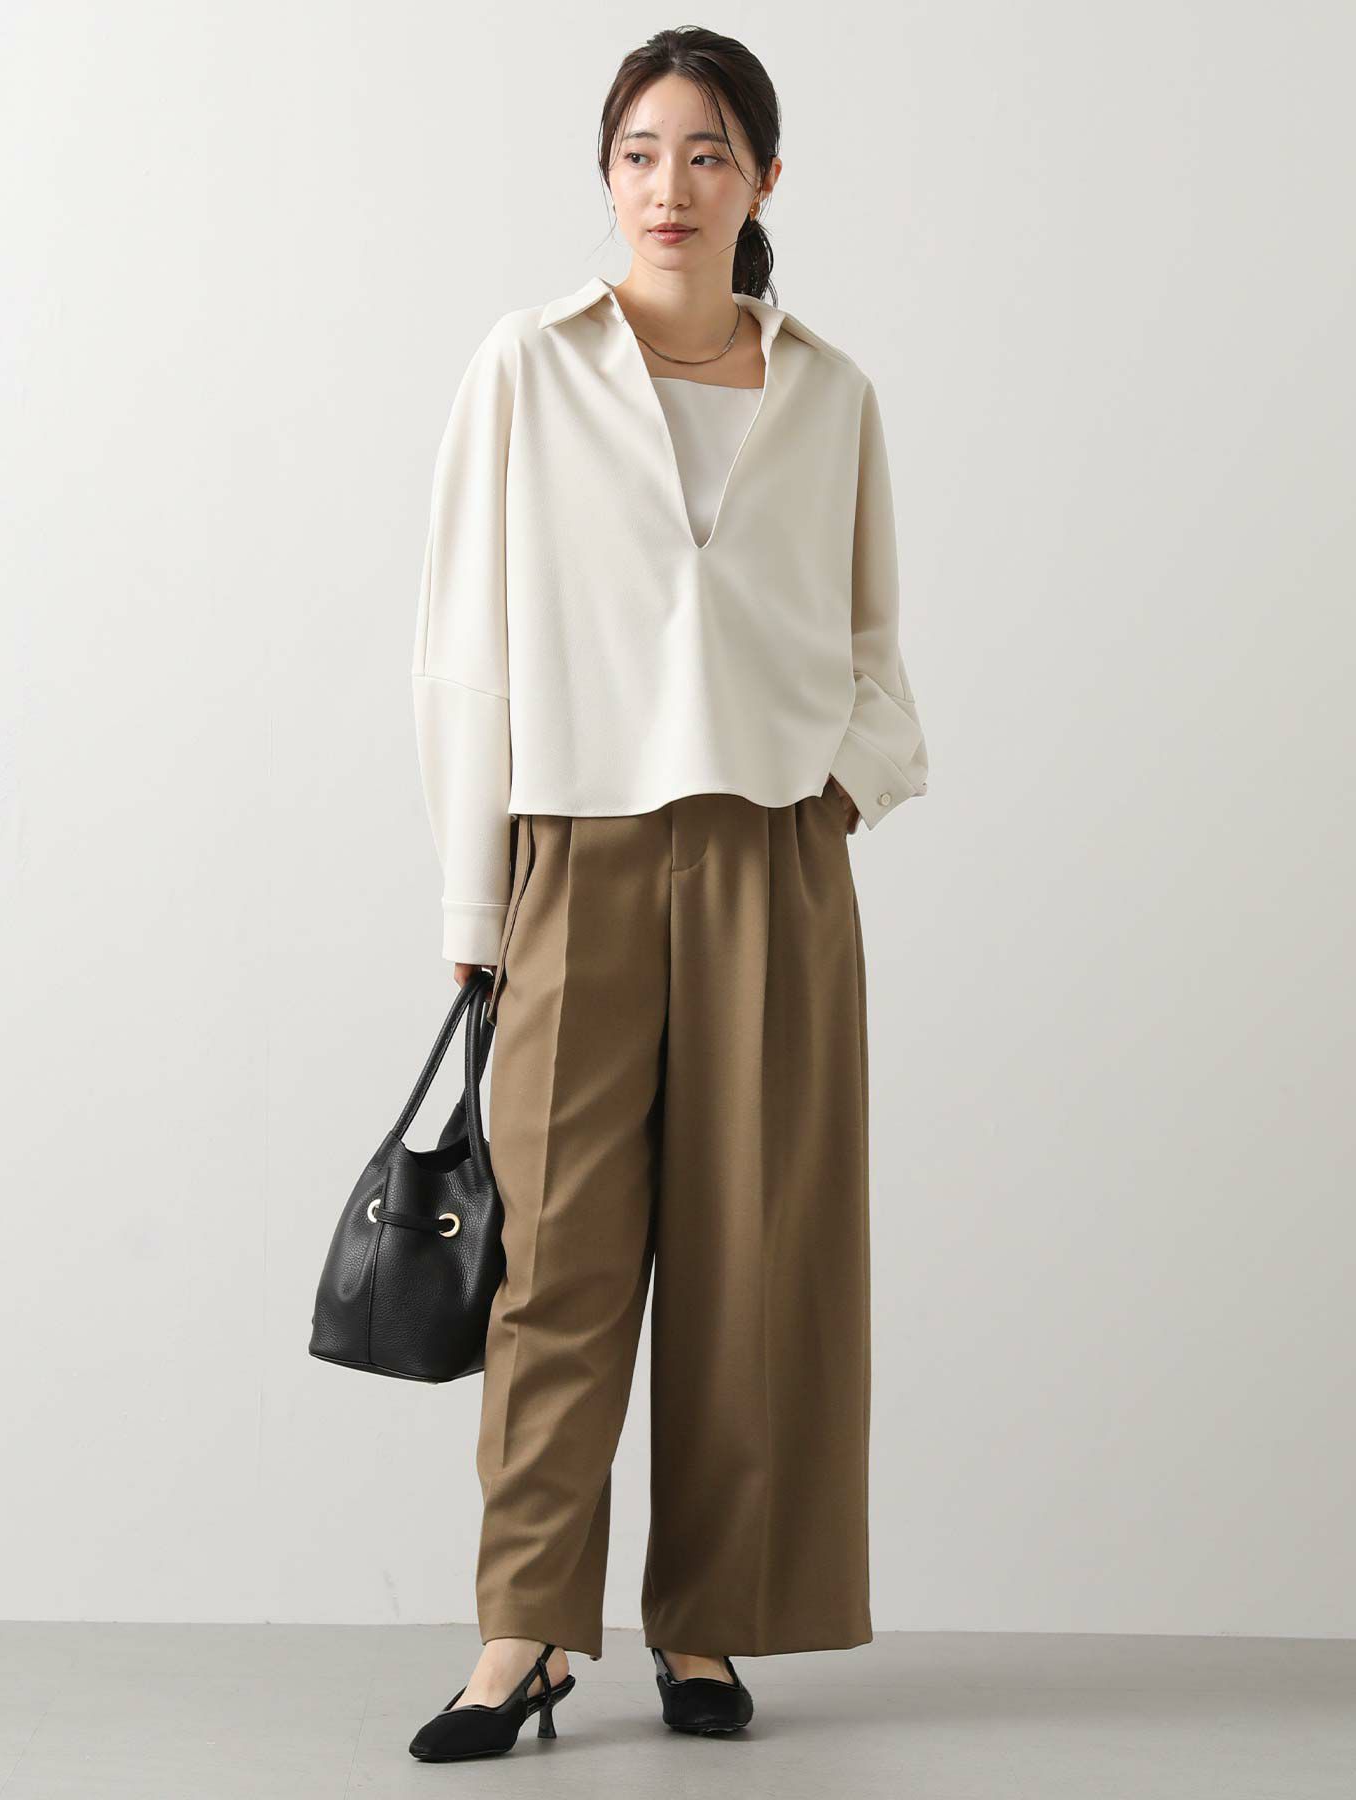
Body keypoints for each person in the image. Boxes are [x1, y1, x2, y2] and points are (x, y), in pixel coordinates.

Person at [406, 26, 928, 1763]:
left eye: (708, 153)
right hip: (577, 851)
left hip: (773, 858)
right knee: (552, 1262)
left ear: (764, 178)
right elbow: (464, 651)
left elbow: (875, 654)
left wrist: (836, 792)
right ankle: (524, 1634)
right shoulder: (530, 365)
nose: (670, 186)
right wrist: (475, 907)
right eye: (640, 152)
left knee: (749, 1262)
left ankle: (707, 1629)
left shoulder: (832, 394)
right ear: (606, 174)